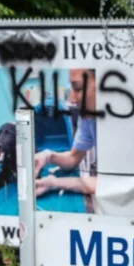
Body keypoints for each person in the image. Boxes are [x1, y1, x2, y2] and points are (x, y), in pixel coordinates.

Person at [32, 69, 97, 207]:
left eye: (78, 88)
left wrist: (54, 183)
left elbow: (110, 183)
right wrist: (49, 156)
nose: (72, 99)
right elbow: (74, 157)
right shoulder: (88, 118)